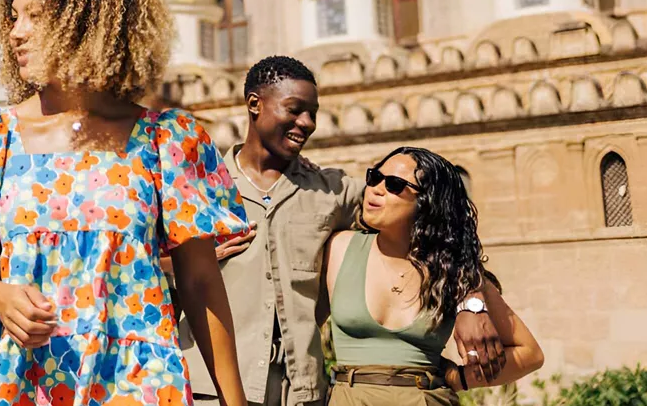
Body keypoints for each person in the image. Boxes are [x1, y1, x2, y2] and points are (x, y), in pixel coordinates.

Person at [0, 0, 249, 404]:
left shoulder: (168, 139)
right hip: (29, 380)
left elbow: (200, 283)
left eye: (36, 18)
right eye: (14, 17)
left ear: (89, 24)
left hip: (140, 380)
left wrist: (233, 401)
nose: (16, 32)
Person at [179, 57, 507, 406]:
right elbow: (131, 263)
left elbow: (436, 223)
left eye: (313, 113)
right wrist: (182, 261)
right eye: (294, 110)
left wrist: (471, 300)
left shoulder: (333, 192)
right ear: (254, 105)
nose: (306, 123)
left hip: (300, 394)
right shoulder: (200, 189)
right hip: (209, 389)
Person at [322, 147, 544, 405]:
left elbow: (530, 354)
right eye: (374, 177)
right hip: (349, 397)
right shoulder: (340, 247)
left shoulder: (454, 272)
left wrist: (460, 379)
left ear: (426, 203)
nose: (376, 189)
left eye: (394, 185)